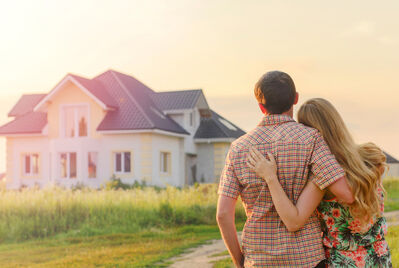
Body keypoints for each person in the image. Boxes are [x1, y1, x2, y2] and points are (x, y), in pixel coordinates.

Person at [216, 71, 354, 267]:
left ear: (261, 106)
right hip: (307, 258)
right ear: (296, 98)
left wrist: (240, 262)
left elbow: (222, 214)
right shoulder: (311, 139)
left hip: (259, 260)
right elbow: (343, 190)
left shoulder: (239, 148)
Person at [248, 98, 392, 267]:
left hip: (344, 262)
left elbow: (293, 220)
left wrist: (270, 177)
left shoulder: (323, 178)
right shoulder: (371, 157)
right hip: (379, 256)